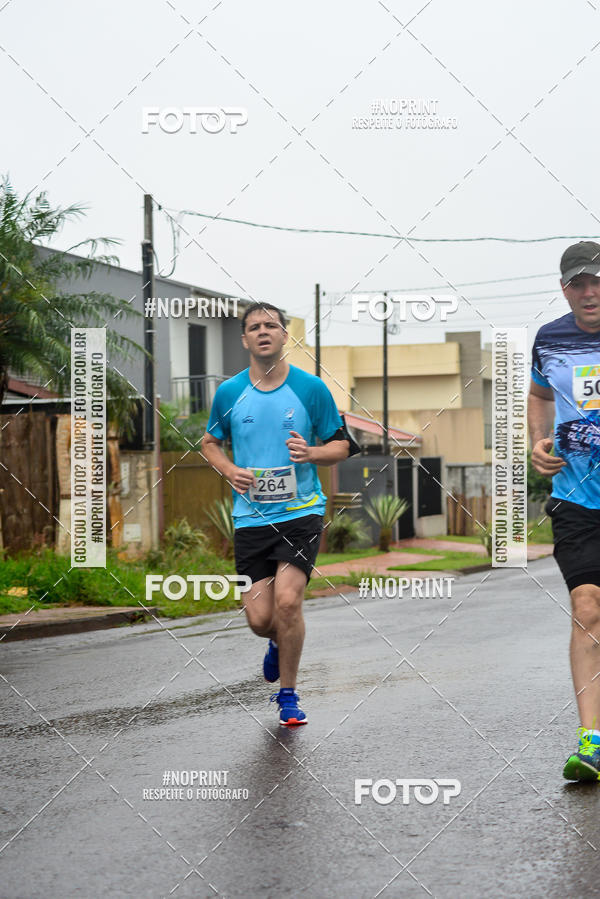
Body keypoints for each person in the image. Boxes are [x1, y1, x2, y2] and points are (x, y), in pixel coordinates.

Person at [202, 302, 352, 725]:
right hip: (251, 519)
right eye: (254, 327)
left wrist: (312, 452)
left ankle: (288, 696)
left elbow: (341, 446)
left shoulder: (311, 389)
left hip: (301, 512)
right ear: (245, 339)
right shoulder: (230, 393)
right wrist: (230, 469)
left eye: (271, 325)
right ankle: (276, 643)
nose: (263, 331)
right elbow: (210, 442)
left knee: (288, 603)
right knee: (260, 619)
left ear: (285, 335)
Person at [529, 240, 600, 780]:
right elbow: (538, 395)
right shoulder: (548, 339)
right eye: (578, 282)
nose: (590, 291)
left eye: (597, 280)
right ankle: (591, 740)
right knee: (587, 607)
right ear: (564, 288)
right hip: (576, 498)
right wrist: (537, 441)